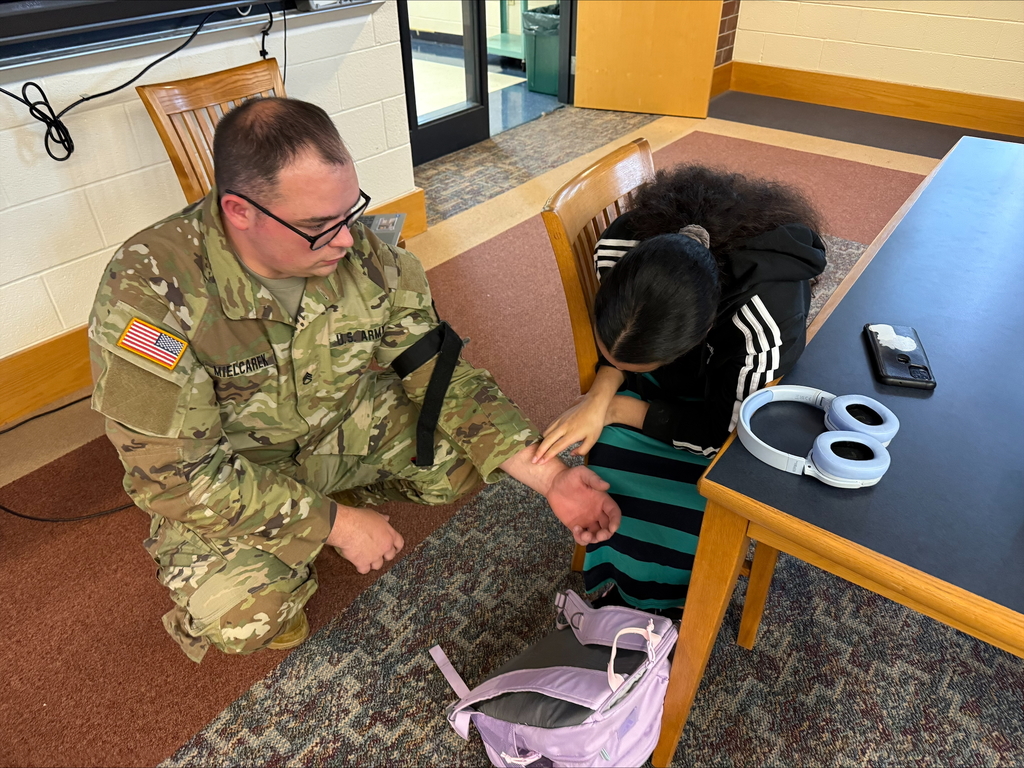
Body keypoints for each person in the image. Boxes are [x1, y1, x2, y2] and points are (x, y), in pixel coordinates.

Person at [88, 97, 619, 662]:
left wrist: (552, 479)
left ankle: (320, 501)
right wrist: (335, 526)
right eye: (319, 225)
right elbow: (174, 478)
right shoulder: (149, 290)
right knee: (248, 620)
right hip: (233, 470)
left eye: (351, 211)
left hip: (334, 426)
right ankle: (295, 527)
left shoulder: (365, 254)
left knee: (461, 462)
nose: (345, 239)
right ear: (239, 211)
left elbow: (442, 376)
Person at [533, 164, 827, 614]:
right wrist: (601, 392)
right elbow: (620, 356)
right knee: (609, 467)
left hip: (723, 405)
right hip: (650, 389)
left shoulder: (761, 323)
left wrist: (611, 411)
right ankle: (627, 585)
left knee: (704, 499)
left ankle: (665, 606)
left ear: (695, 341)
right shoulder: (617, 252)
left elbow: (724, 435)